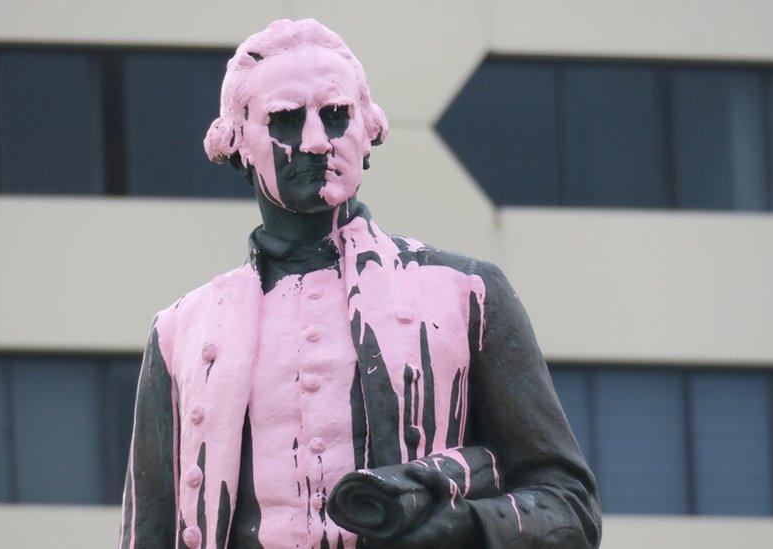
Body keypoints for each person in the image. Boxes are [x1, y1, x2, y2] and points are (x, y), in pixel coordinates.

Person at [119, 18, 601, 549]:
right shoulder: (180, 331)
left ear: (368, 130)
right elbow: (149, 530)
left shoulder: (467, 293)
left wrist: (458, 528)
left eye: (335, 116)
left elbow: (569, 506)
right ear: (237, 142)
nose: (314, 141)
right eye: (283, 120)